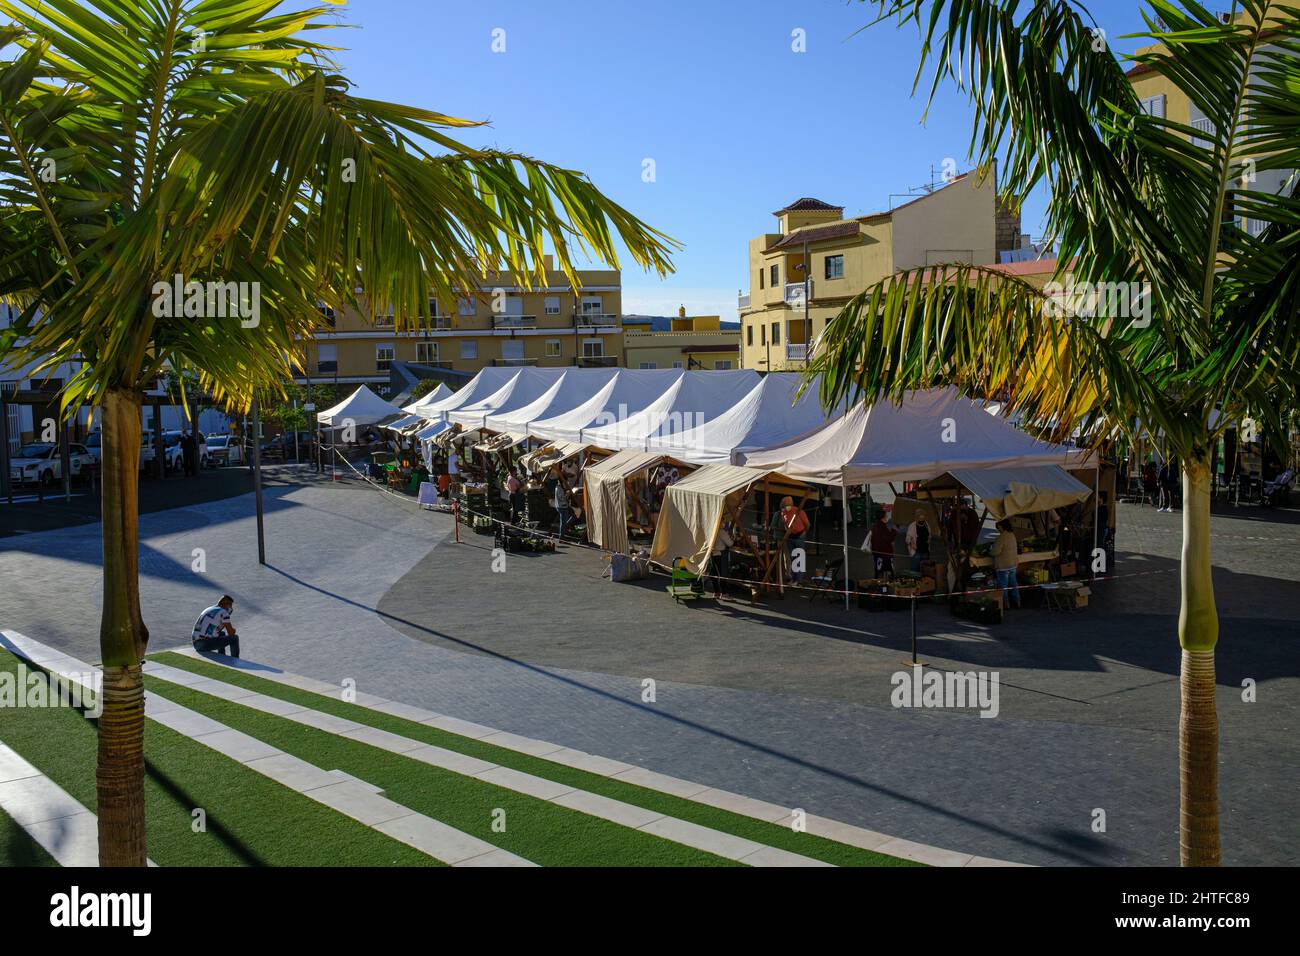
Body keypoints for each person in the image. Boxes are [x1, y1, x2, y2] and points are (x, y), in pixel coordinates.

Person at [770, 496, 810, 584]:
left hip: (799, 536)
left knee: (799, 557)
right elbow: (785, 525)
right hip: (790, 537)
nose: (786, 507)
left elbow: (807, 524)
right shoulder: (782, 513)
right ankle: (793, 578)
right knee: (792, 558)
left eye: (787, 505)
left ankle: (798, 580)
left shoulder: (799, 511)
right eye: (785, 506)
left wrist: (804, 533)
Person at [992, 520, 1021, 610]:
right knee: (1013, 584)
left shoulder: (1001, 537)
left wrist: (990, 551)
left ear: (1001, 526)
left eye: (998, 528)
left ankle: (1005, 604)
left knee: (1003, 586)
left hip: (1003, 565)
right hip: (1013, 564)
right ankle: (1017, 602)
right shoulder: (1012, 535)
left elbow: (995, 552)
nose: (998, 530)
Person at [868, 511, 900, 578]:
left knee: (878, 570)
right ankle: (883, 585)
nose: (887, 518)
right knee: (885, 570)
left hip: (877, 553)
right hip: (884, 554)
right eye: (886, 516)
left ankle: (878, 582)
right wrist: (894, 530)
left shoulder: (875, 526)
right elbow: (889, 538)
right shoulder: (882, 527)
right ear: (883, 518)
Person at [709, 522, 734, 598]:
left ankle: (716, 592)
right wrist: (732, 539)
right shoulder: (721, 532)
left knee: (714, 573)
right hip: (720, 555)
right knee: (722, 574)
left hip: (713, 554)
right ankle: (724, 593)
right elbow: (730, 544)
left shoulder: (711, 530)